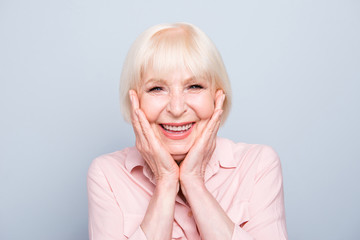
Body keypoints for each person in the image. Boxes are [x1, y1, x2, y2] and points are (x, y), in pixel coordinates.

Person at [87, 22, 288, 240]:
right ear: (135, 102)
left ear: (217, 98)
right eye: (157, 88)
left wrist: (193, 181)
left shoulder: (258, 165)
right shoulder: (107, 174)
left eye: (194, 86)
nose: (176, 108)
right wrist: (165, 181)